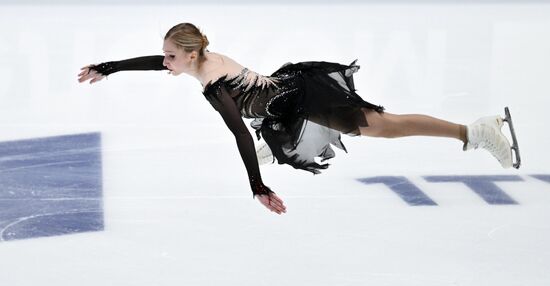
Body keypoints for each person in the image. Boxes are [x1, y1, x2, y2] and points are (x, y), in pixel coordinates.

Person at [78, 22, 520, 215]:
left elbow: (238, 134)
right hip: (281, 104)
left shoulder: (213, 83)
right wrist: (109, 67)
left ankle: (476, 131)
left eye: (172, 56)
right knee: (377, 129)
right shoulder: (196, 61)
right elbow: (154, 62)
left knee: (387, 126)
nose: (165, 62)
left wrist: (257, 186)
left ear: (192, 55)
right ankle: (474, 131)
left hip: (302, 101)